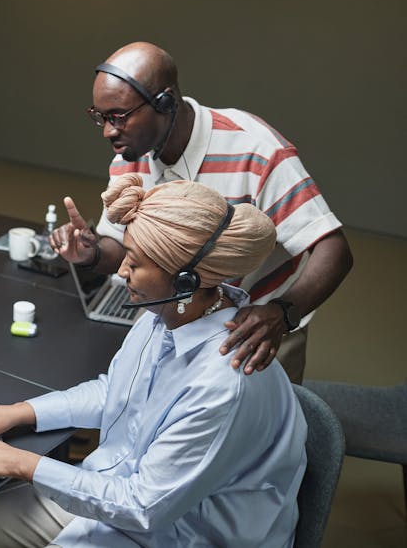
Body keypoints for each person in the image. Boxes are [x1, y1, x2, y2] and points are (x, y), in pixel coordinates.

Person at [0, 174, 306, 548]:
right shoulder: (163, 315)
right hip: (127, 491)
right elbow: (117, 390)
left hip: (187, 531)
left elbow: (144, 507)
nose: (121, 271)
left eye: (136, 263)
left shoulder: (223, 382)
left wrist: (21, 464)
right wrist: (19, 412)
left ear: (186, 282)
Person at [51, 41, 352, 383]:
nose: (108, 131)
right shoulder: (130, 157)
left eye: (118, 117)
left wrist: (281, 313)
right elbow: (123, 252)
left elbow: (334, 250)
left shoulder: (254, 149)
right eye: (100, 118)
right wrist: (90, 253)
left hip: (255, 332)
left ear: (165, 102)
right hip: (176, 323)